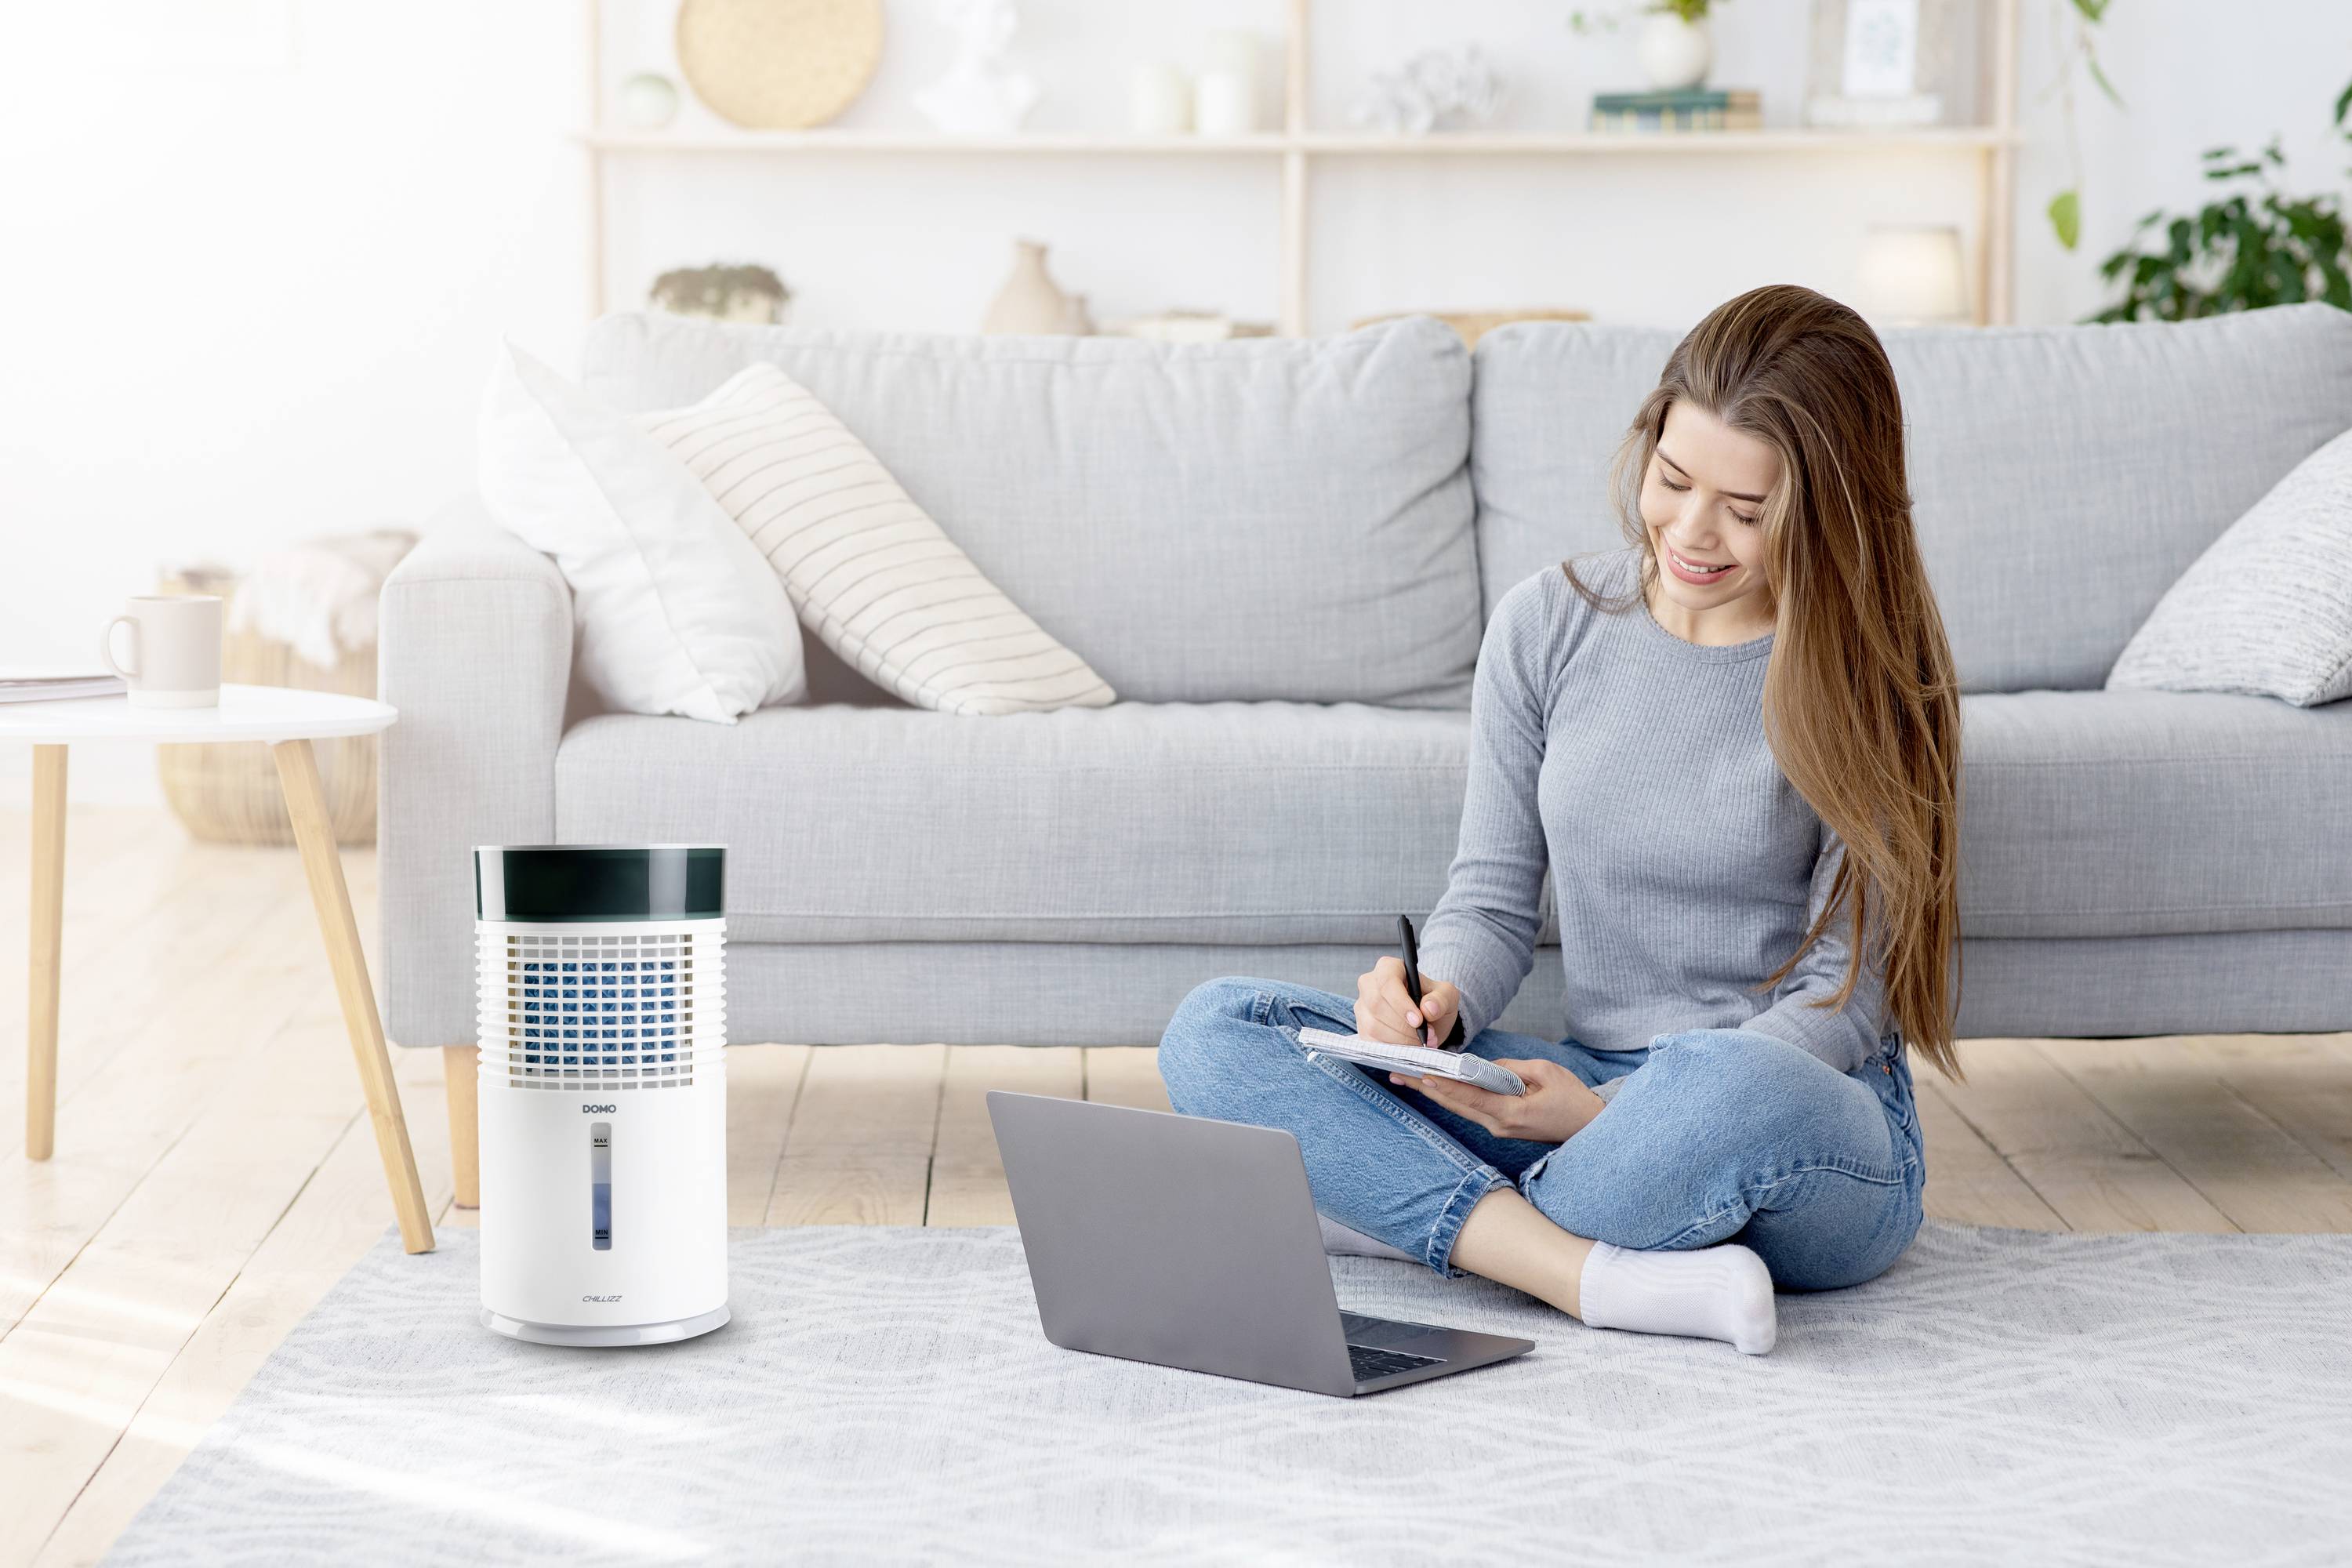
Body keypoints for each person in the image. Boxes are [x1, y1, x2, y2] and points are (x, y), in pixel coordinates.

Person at [1159, 284, 1965, 1356]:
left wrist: (1607, 1118)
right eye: (1673, 480)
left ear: (1829, 509)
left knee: (1726, 1084)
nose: (1690, 530)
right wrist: (1436, 1001)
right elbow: (1490, 900)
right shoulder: (1550, 622)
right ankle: (1584, 1270)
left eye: (1747, 509)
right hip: (1580, 1093)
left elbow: (1846, 1003)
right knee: (1216, 1032)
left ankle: (1414, 1214)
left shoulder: (1872, 676)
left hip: (1791, 1115)